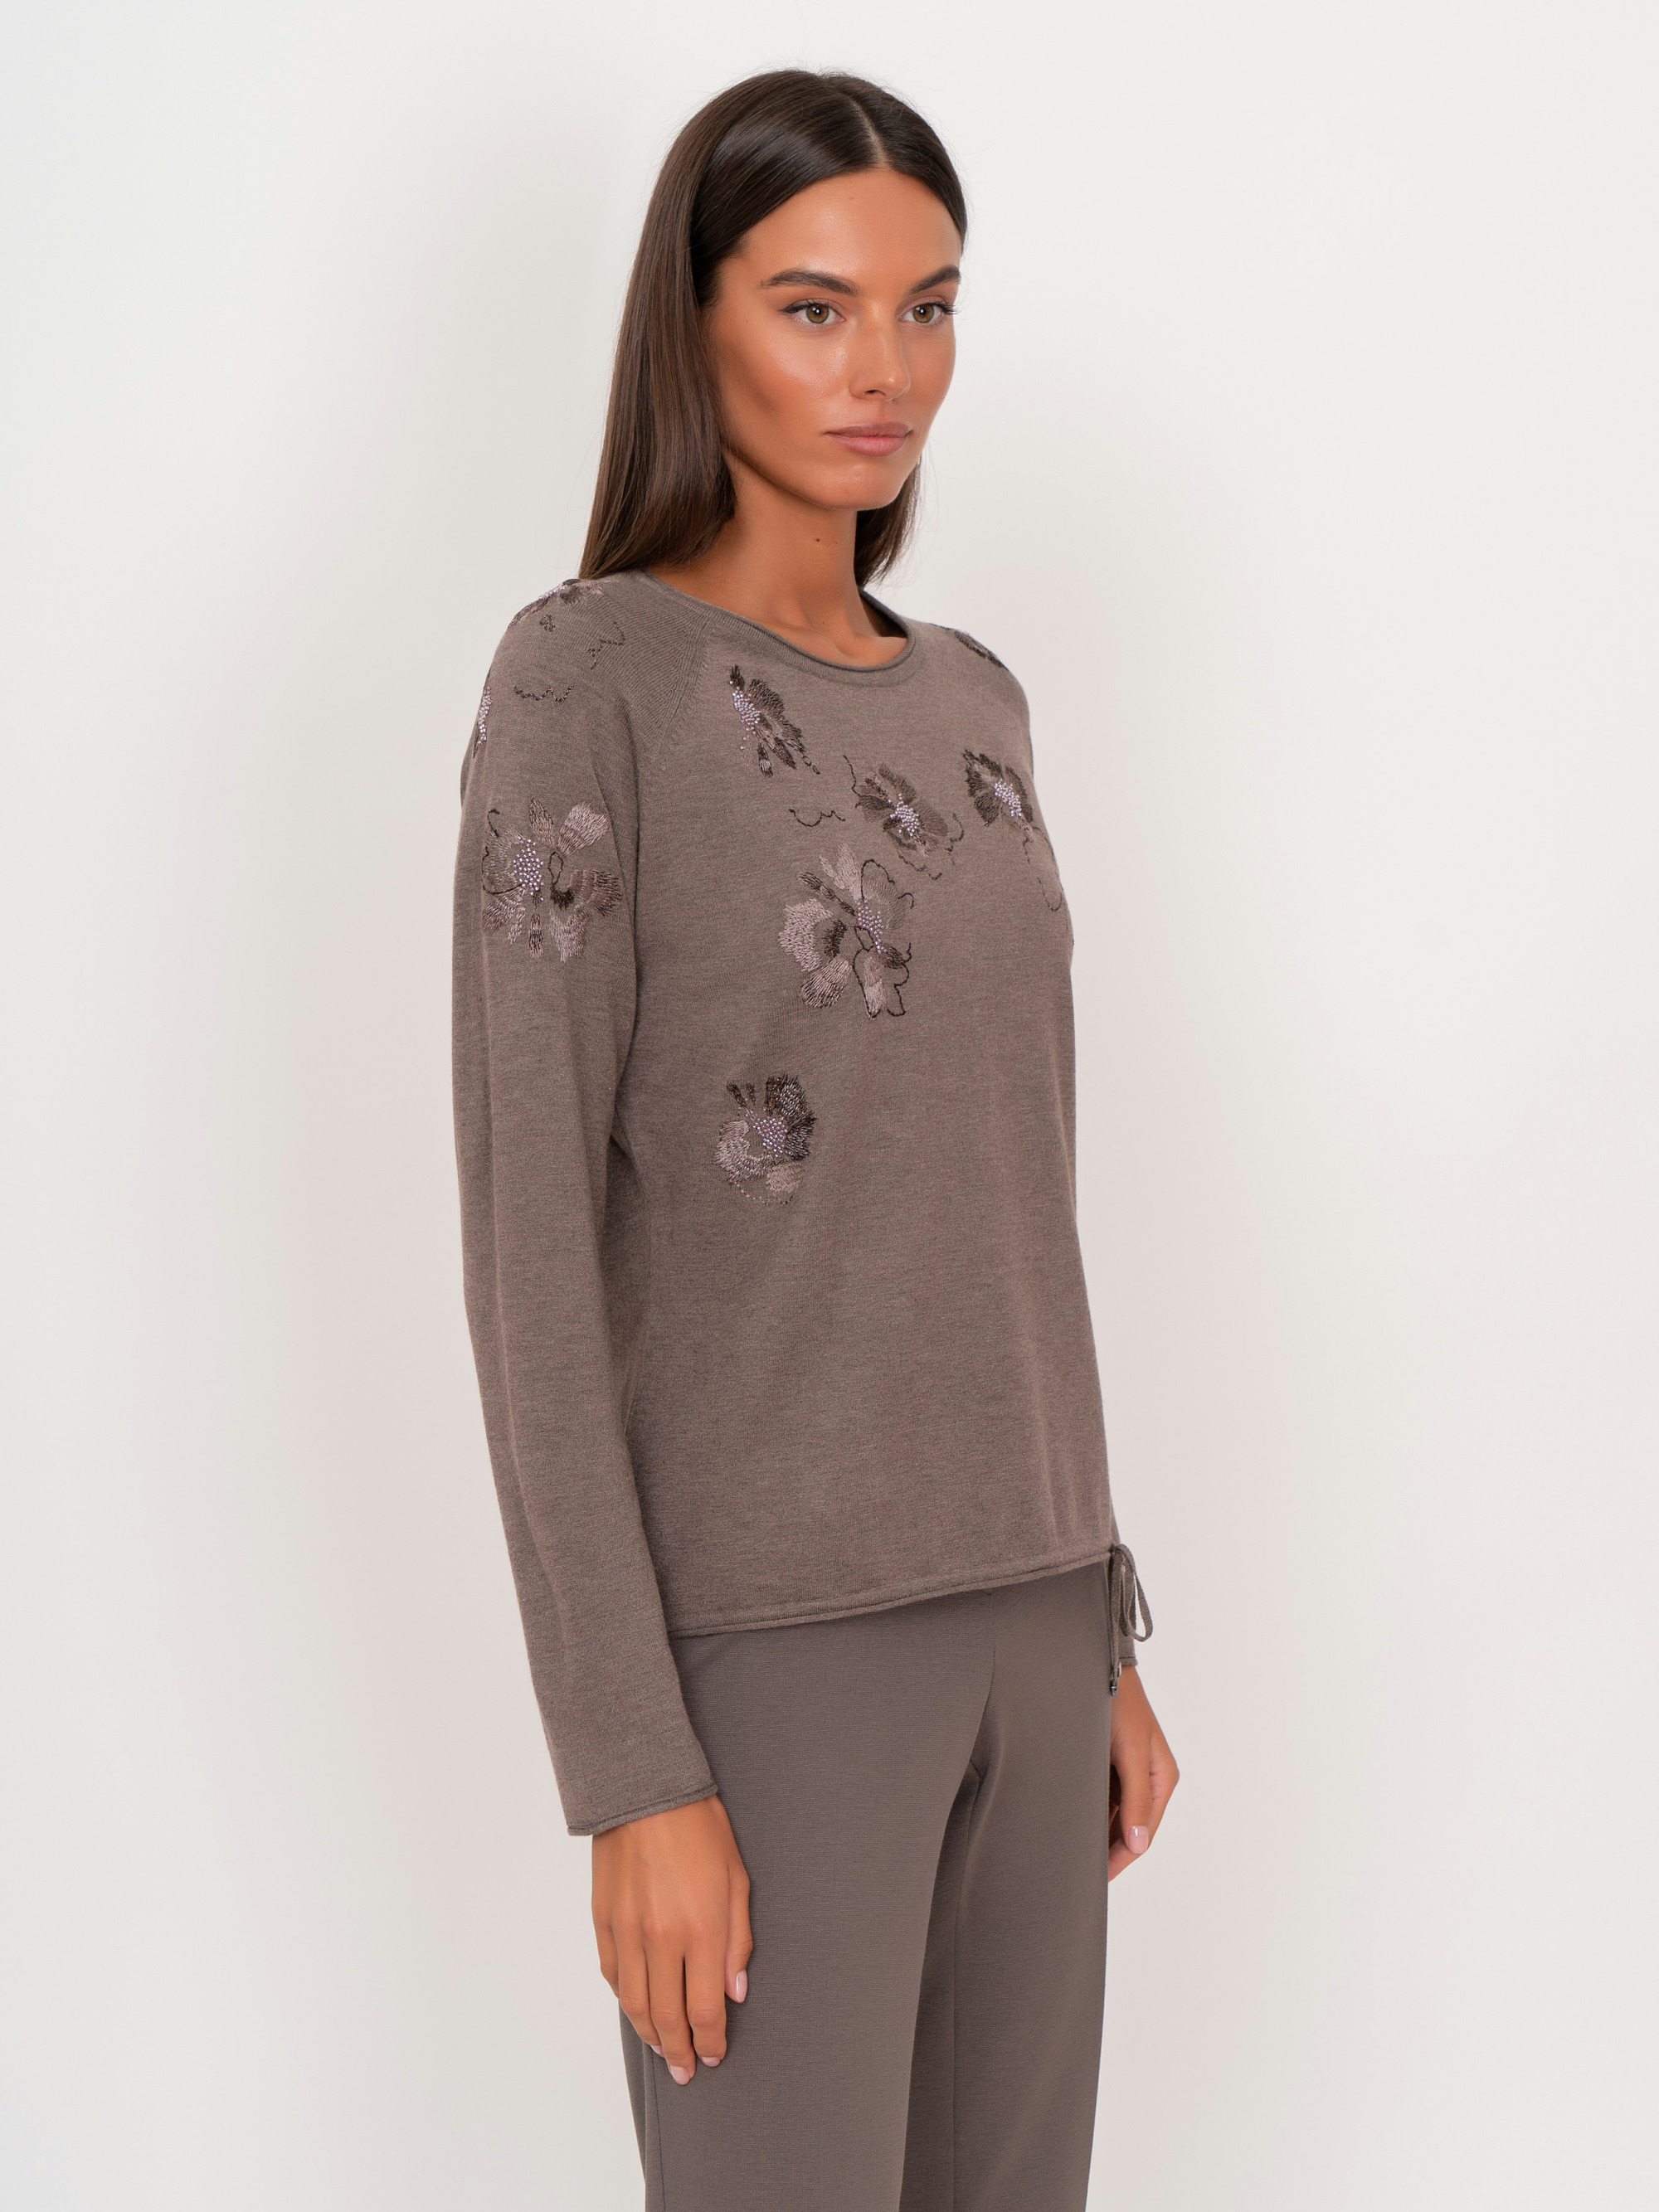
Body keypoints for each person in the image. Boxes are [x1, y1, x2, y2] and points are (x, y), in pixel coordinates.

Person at [451, 68, 1178, 2211]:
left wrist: (1101, 1622)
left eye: (928, 307)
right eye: (815, 307)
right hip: (772, 1667)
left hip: (1037, 1629)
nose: (888, 371)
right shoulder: (587, 685)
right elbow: (526, 1250)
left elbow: (1007, 1183)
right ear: (691, 324)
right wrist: (628, 1768)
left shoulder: (978, 702)